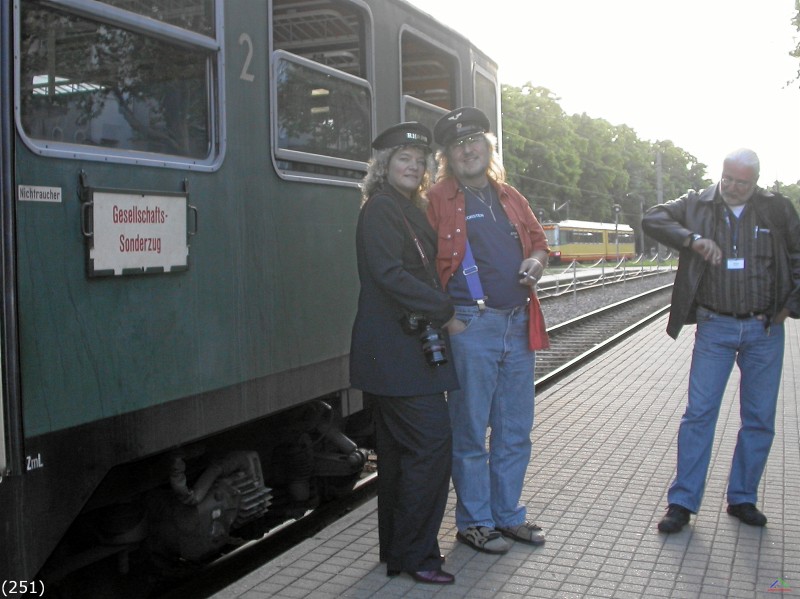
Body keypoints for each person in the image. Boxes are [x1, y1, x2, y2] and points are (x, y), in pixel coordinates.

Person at [642, 148, 800, 533]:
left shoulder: (777, 210)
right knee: (699, 414)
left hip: (764, 330)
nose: (730, 187)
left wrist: (790, 307)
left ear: (756, 182)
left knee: (759, 419)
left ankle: (743, 498)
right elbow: (652, 217)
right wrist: (692, 238)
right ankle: (682, 502)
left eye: (741, 182)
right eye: (727, 178)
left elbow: (798, 257)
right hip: (715, 326)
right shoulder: (699, 202)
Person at [426, 107, 550, 555]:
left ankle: (508, 516)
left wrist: (536, 261)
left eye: (474, 139)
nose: (467, 148)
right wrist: (447, 318)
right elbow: (419, 262)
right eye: (457, 145)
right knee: (471, 430)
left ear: (488, 146)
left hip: (518, 324)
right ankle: (475, 521)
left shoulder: (510, 195)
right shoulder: (437, 198)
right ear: (448, 156)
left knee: (516, 429)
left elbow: (539, 242)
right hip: (471, 325)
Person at [349, 122, 459, 584]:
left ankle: (397, 553)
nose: (413, 167)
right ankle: (418, 556)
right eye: (403, 160)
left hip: (394, 354)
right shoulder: (382, 209)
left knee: (397, 455)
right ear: (383, 167)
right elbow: (391, 275)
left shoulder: (400, 207)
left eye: (419, 161)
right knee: (433, 448)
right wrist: (445, 308)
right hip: (398, 354)